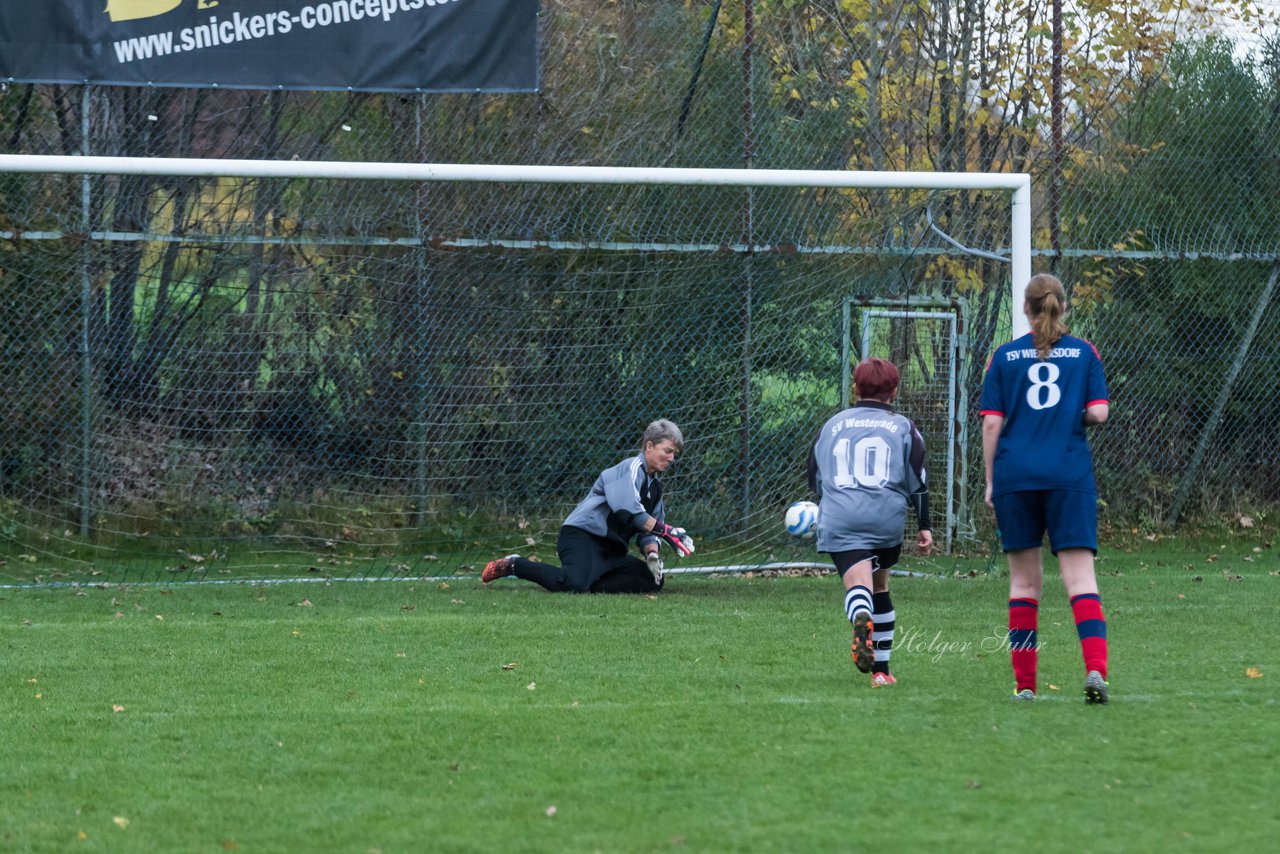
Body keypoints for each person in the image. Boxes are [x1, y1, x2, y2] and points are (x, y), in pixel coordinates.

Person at [980, 273, 1111, 704]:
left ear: (1025, 309)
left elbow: (993, 423)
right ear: (1062, 307)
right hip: (1068, 476)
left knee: (1024, 584)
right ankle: (1095, 670)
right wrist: (1077, 415)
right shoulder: (1084, 353)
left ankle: (1025, 686)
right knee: (1080, 580)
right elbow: (1099, 412)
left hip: (1016, 477)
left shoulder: (1003, 357)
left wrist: (991, 481)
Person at [808, 357, 933, 687]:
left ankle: (860, 617)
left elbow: (814, 475)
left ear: (855, 388)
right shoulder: (904, 427)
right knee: (880, 585)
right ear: (893, 391)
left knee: (858, 586)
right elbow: (917, 481)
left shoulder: (831, 425)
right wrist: (924, 525)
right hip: (885, 518)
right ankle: (881, 671)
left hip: (842, 516)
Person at [481, 419, 693, 594]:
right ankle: (515, 565)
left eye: (674, 453)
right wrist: (667, 532)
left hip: (612, 550)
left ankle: (588, 583)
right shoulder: (630, 468)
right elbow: (628, 510)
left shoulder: (655, 488)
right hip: (582, 537)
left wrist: (652, 555)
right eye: (668, 450)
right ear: (649, 446)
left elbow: (648, 532)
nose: (672, 458)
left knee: (653, 581)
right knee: (573, 585)